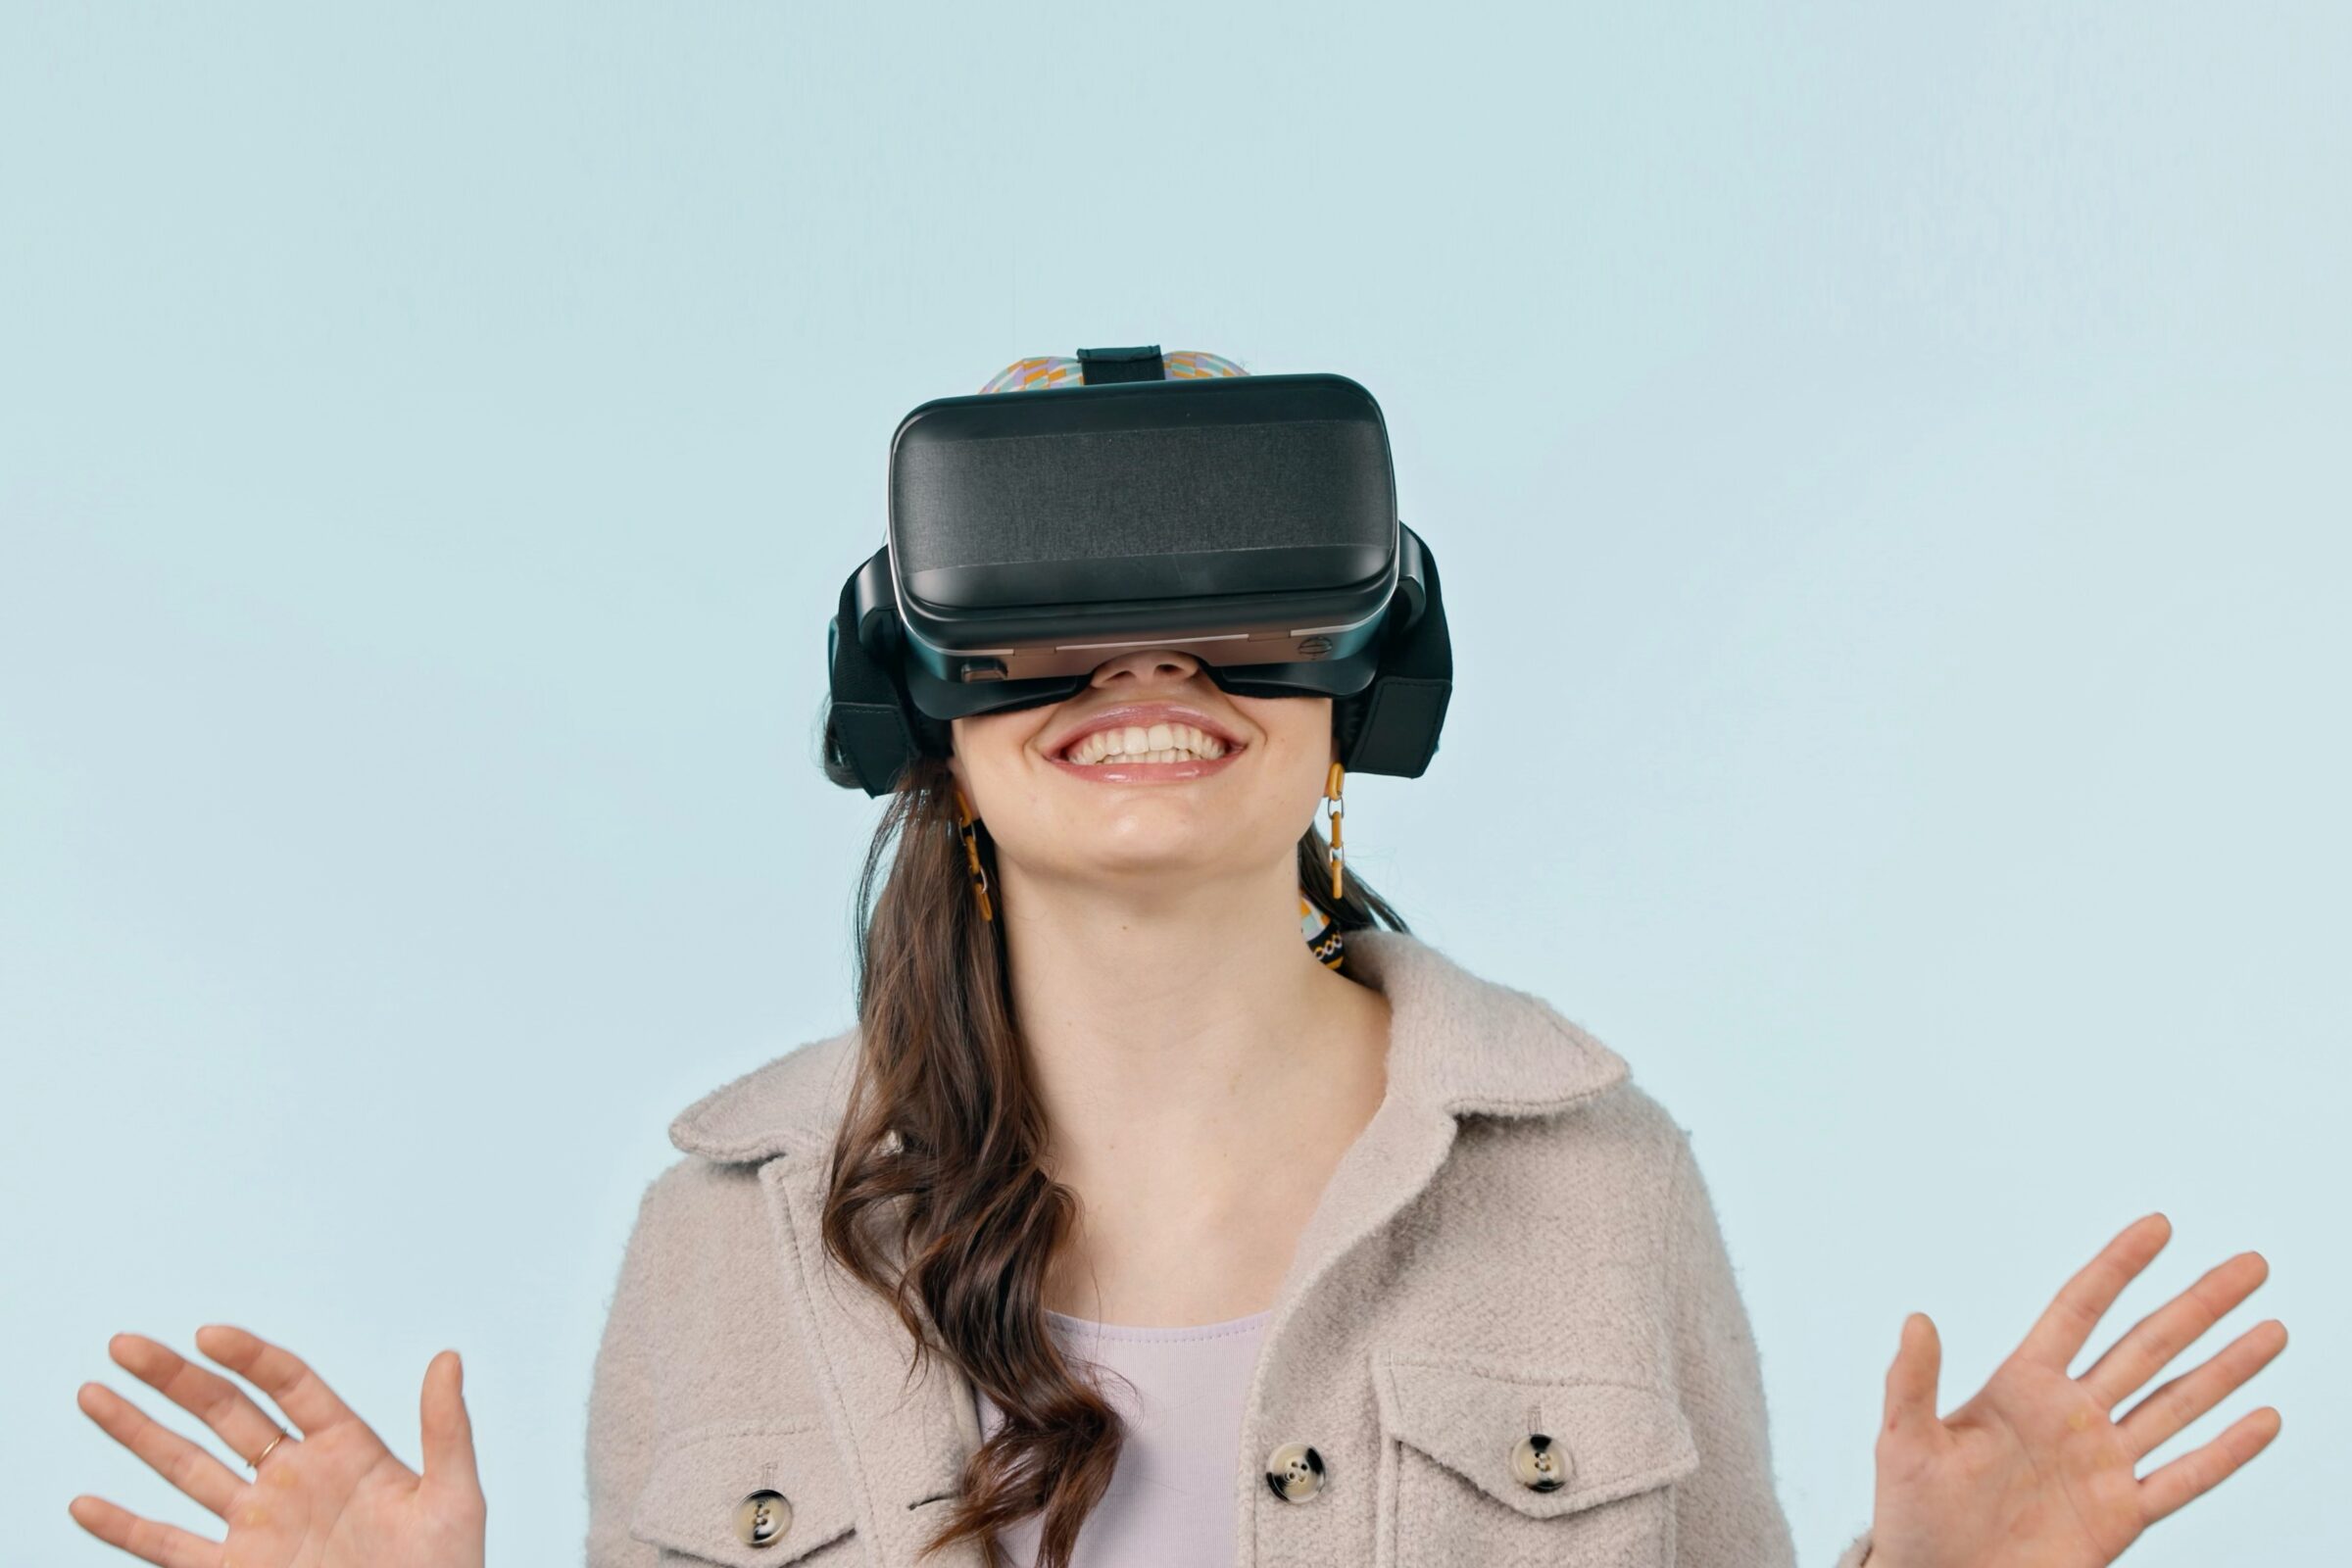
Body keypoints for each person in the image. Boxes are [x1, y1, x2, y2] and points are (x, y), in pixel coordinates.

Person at [69, 356, 2288, 1568]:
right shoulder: (715, 1240)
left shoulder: (1599, 1183)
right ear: (917, 712)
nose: (1145, 659)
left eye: (1236, 591)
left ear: (1365, 694)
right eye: (1045, 610)